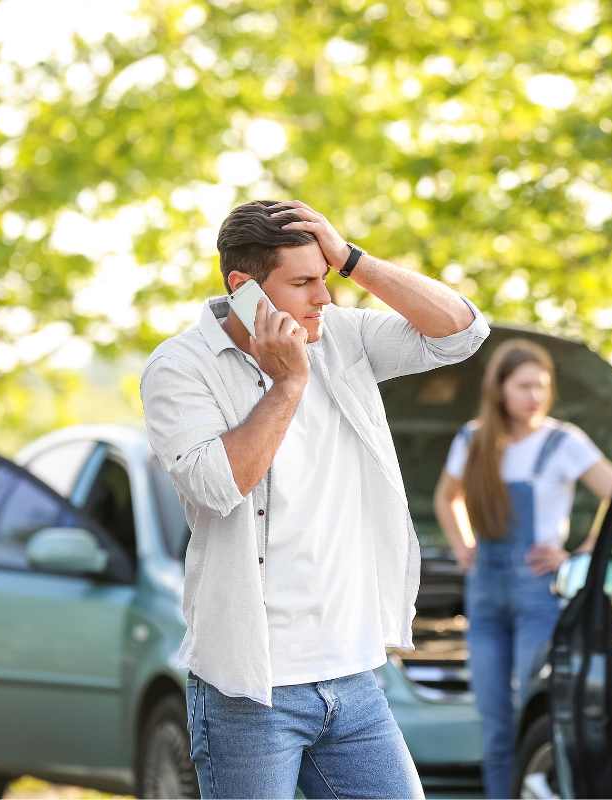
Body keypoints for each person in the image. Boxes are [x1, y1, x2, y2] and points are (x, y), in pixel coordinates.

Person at [140, 199, 489, 799]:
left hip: (352, 677)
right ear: (244, 288)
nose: (322, 298)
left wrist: (353, 260)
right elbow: (218, 484)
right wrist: (289, 383)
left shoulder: (342, 337)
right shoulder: (179, 367)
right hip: (250, 689)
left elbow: (462, 333)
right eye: (303, 283)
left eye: (324, 278)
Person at [433, 338, 612, 799]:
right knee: (494, 722)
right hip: (485, 594)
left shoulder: (563, 441)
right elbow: (445, 497)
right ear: (500, 389)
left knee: (531, 715)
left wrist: (580, 554)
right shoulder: (473, 439)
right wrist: (463, 546)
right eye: (524, 386)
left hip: (540, 596)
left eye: (542, 386)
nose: (534, 396)